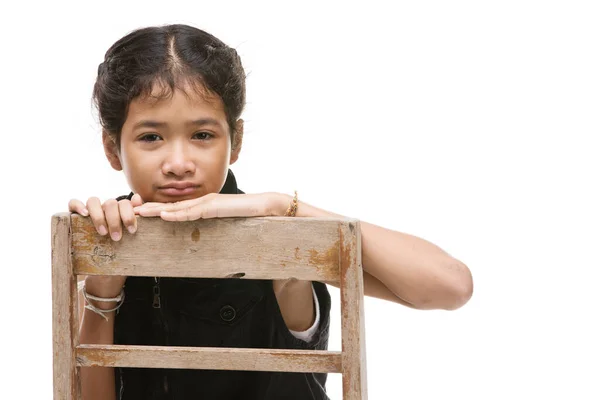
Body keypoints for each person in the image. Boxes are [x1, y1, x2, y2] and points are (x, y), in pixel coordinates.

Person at [68, 24, 473, 400]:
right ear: (111, 147)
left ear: (236, 140)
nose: (178, 162)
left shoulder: (281, 230)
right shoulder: (105, 234)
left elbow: (450, 287)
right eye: (151, 137)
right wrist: (103, 293)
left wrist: (283, 206)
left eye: (202, 135)